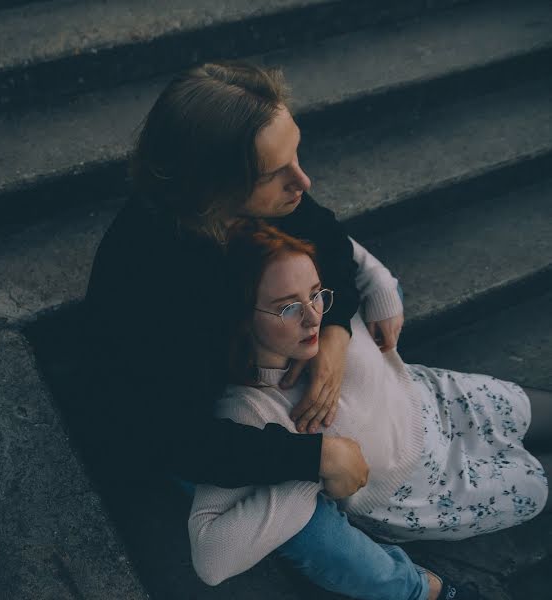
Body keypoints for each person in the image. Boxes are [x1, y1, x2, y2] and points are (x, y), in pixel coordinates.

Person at [84, 62, 461, 598]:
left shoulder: (266, 202)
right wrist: (314, 459)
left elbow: (330, 243)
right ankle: (420, 589)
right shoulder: (148, 280)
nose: (302, 181)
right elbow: (172, 436)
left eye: (296, 155)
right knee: (312, 532)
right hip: (198, 421)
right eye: (274, 173)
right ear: (213, 184)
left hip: (263, 375)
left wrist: (334, 331)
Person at [188, 221, 550, 597]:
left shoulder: (330, 317)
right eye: (290, 308)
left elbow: (347, 249)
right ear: (244, 318)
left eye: (315, 293)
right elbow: (211, 559)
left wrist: (381, 285)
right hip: (433, 491)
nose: (313, 316)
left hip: (438, 398)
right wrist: (310, 471)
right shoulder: (249, 409)